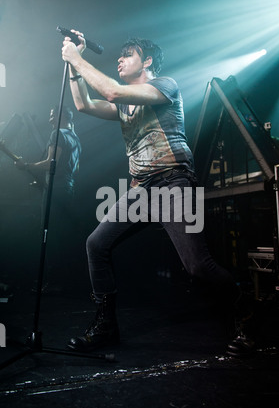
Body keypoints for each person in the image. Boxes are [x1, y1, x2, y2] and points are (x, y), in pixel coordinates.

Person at [61, 30, 254, 356]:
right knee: (96, 244)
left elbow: (110, 91)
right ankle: (106, 326)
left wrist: (77, 58)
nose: (120, 60)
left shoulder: (165, 85)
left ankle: (247, 312)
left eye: (128, 55)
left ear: (147, 61)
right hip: (141, 189)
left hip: (173, 183)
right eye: (119, 56)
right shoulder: (124, 104)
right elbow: (82, 104)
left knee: (197, 266)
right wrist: (71, 62)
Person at [16, 106, 82, 288]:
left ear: (61, 117)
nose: (50, 120)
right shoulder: (74, 137)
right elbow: (74, 169)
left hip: (56, 190)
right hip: (67, 189)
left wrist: (26, 165)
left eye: (52, 116)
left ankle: (52, 282)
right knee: (61, 234)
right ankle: (62, 280)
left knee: (48, 234)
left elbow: (50, 164)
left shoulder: (57, 134)